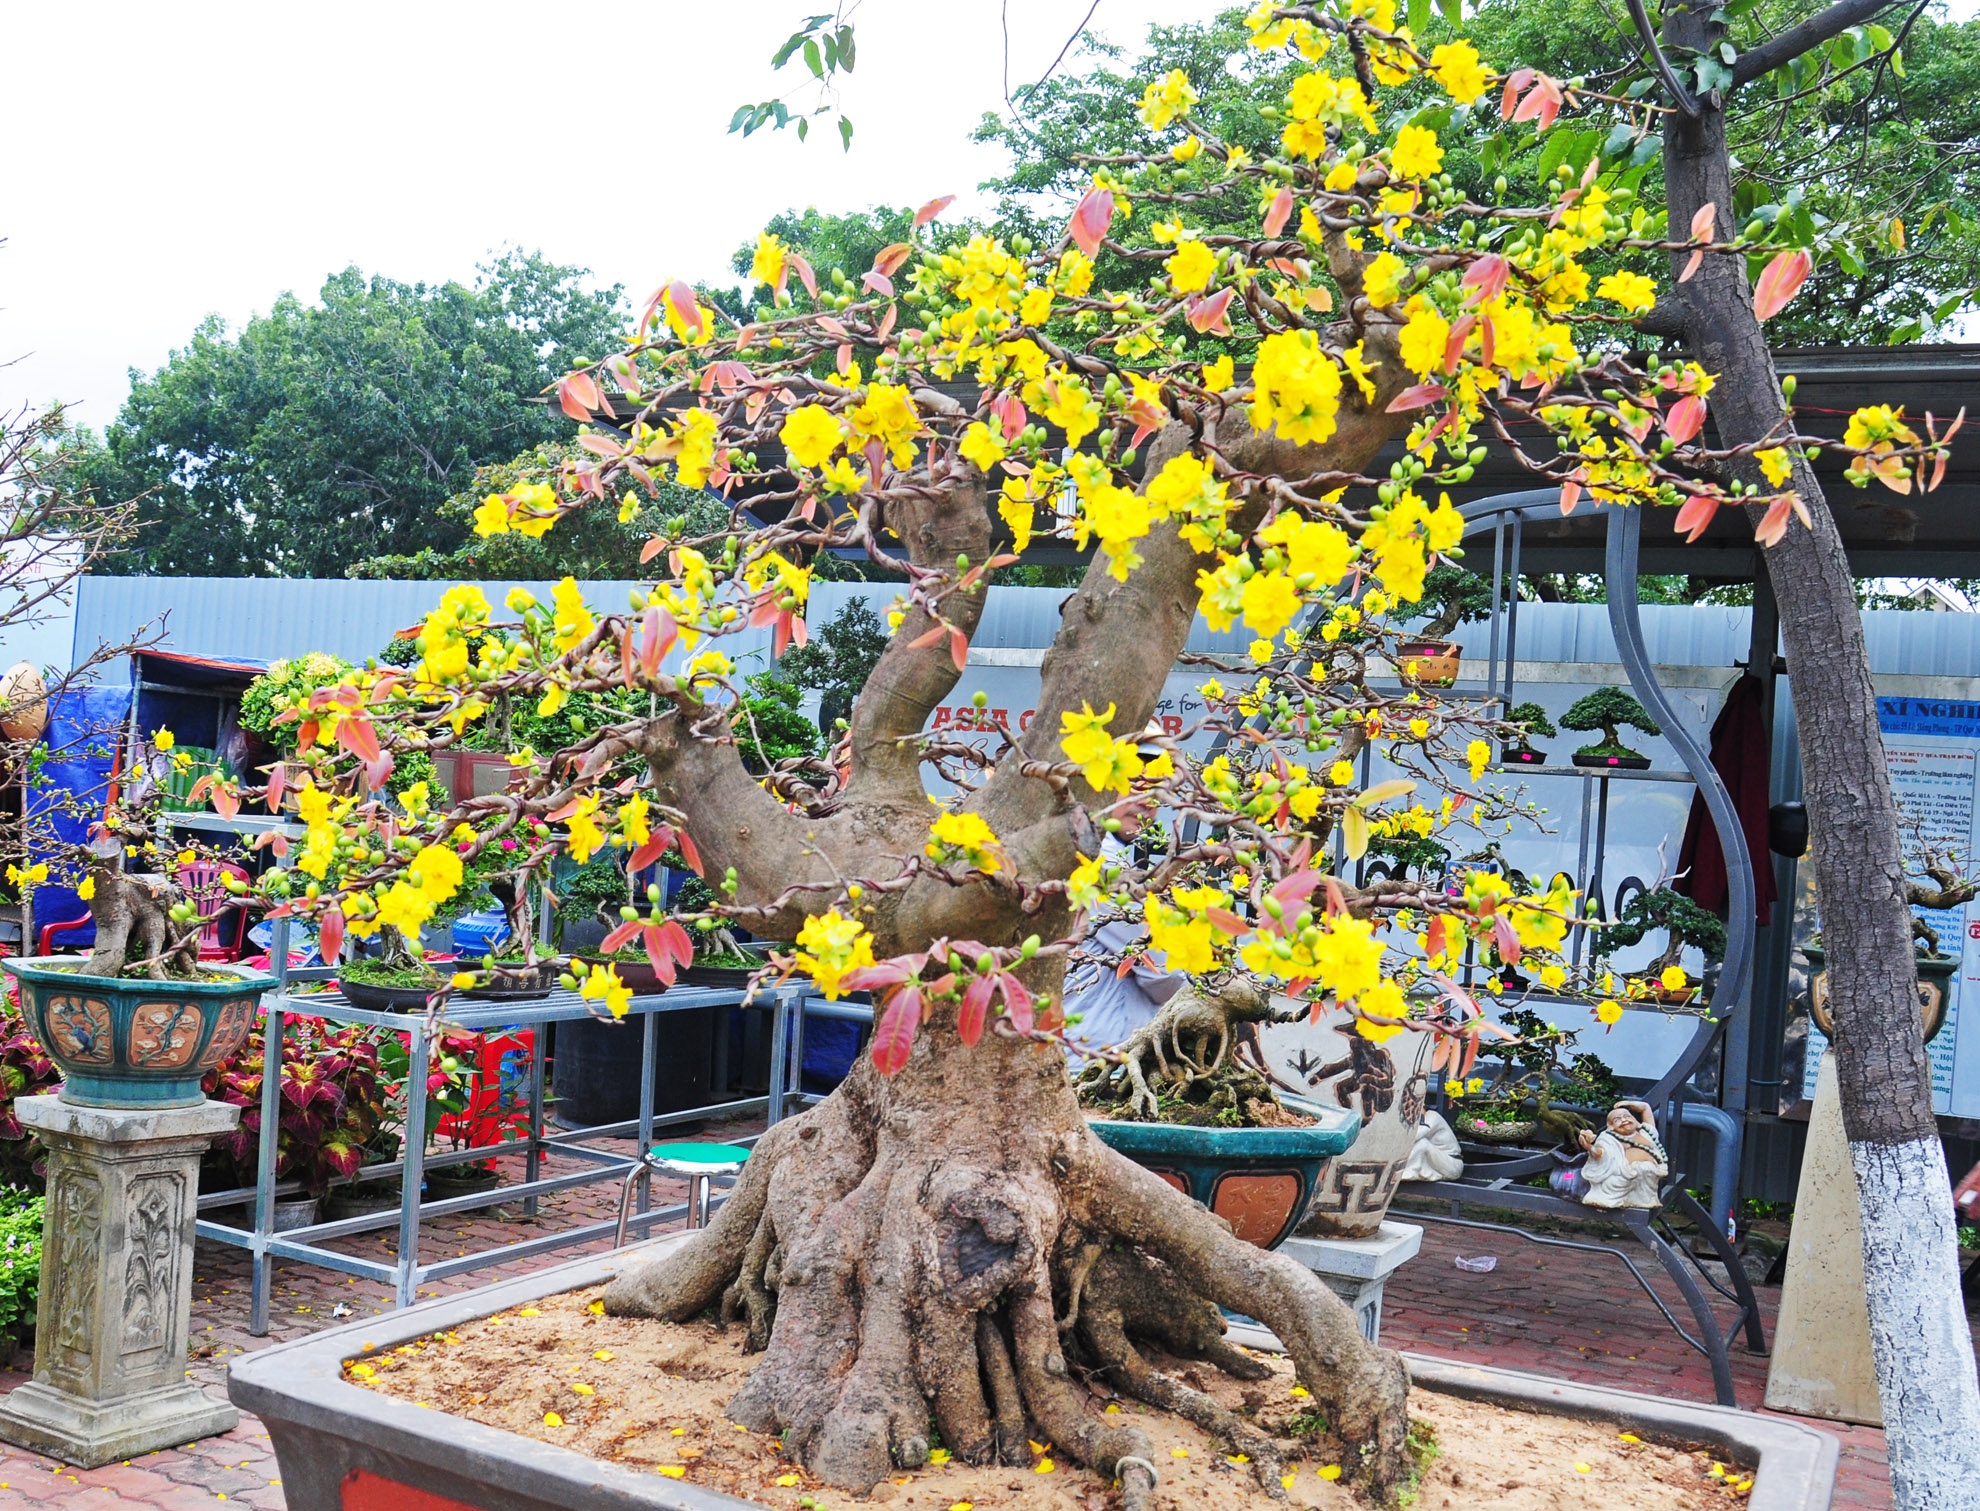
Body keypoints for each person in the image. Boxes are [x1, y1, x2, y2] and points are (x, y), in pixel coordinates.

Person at [1576, 1099, 1669, 1211]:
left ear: (1635, 1120)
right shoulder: (1608, 1138)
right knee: (1614, 1184)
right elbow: (1600, 1154)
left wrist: (1640, 1106)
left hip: (1648, 1178)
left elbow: (1647, 1113)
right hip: (1624, 1177)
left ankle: (1643, 1199)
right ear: (1610, 1126)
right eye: (1617, 1119)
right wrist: (1589, 1147)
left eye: (1627, 1116)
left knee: (1645, 1174)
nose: (1624, 1120)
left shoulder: (1646, 1133)